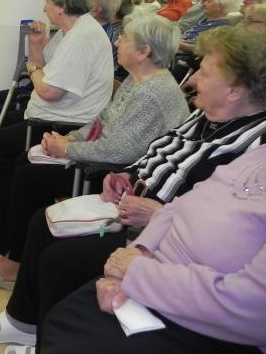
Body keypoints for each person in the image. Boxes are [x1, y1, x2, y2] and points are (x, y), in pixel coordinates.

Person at [0, 26, 266, 349]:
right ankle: (24, 321)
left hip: (157, 235)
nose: (192, 79)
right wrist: (126, 175)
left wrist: (71, 149)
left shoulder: (251, 145)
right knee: (42, 217)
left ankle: (35, 329)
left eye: (205, 72)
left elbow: (207, 218)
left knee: (59, 257)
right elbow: (151, 149)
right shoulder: (204, 114)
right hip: (135, 206)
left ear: (235, 91)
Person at [0, 16, 189, 292]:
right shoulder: (138, 81)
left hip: (118, 175)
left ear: (144, 51)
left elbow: (120, 150)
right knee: (25, 163)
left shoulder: (152, 93)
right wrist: (71, 137)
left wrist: (66, 148)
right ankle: (16, 252)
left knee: (29, 177)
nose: (117, 42)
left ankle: (12, 264)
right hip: (107, 159)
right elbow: (102, 121)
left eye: (125, 39)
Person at [40, 143, 266, 354]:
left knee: (71, 333)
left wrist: (135, 272)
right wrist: (139, 250)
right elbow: (178, 206)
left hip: (208, 320)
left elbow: (253, 308)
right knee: (62, 317)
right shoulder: (258, 154)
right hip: (153, 268)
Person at [0, 0, 114, 212]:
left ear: (62, 6)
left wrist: (32, 68)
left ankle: (6, 209)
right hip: (50, 113)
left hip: (64, 123)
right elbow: (44, 66)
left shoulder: (81, 38)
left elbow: (48, 91)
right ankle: (7, 200)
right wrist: (36, 45)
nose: (44, 8)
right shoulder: (69, 31)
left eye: (48, 2)